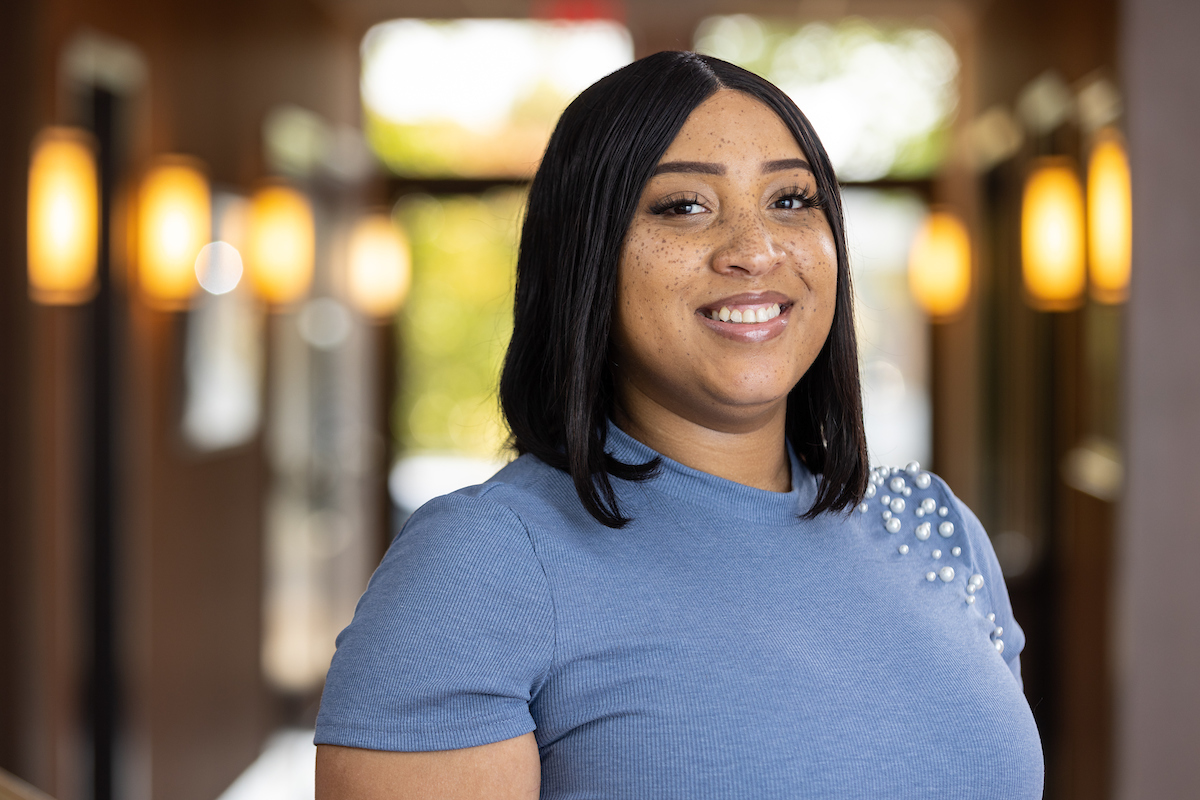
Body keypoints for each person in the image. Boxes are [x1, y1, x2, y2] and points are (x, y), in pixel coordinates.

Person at [314, 51, 1044, 799]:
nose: (755, 250)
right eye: (684, 206)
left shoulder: (935, 528)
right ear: (587, 255)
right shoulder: (480, 565)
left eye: (791, 199)